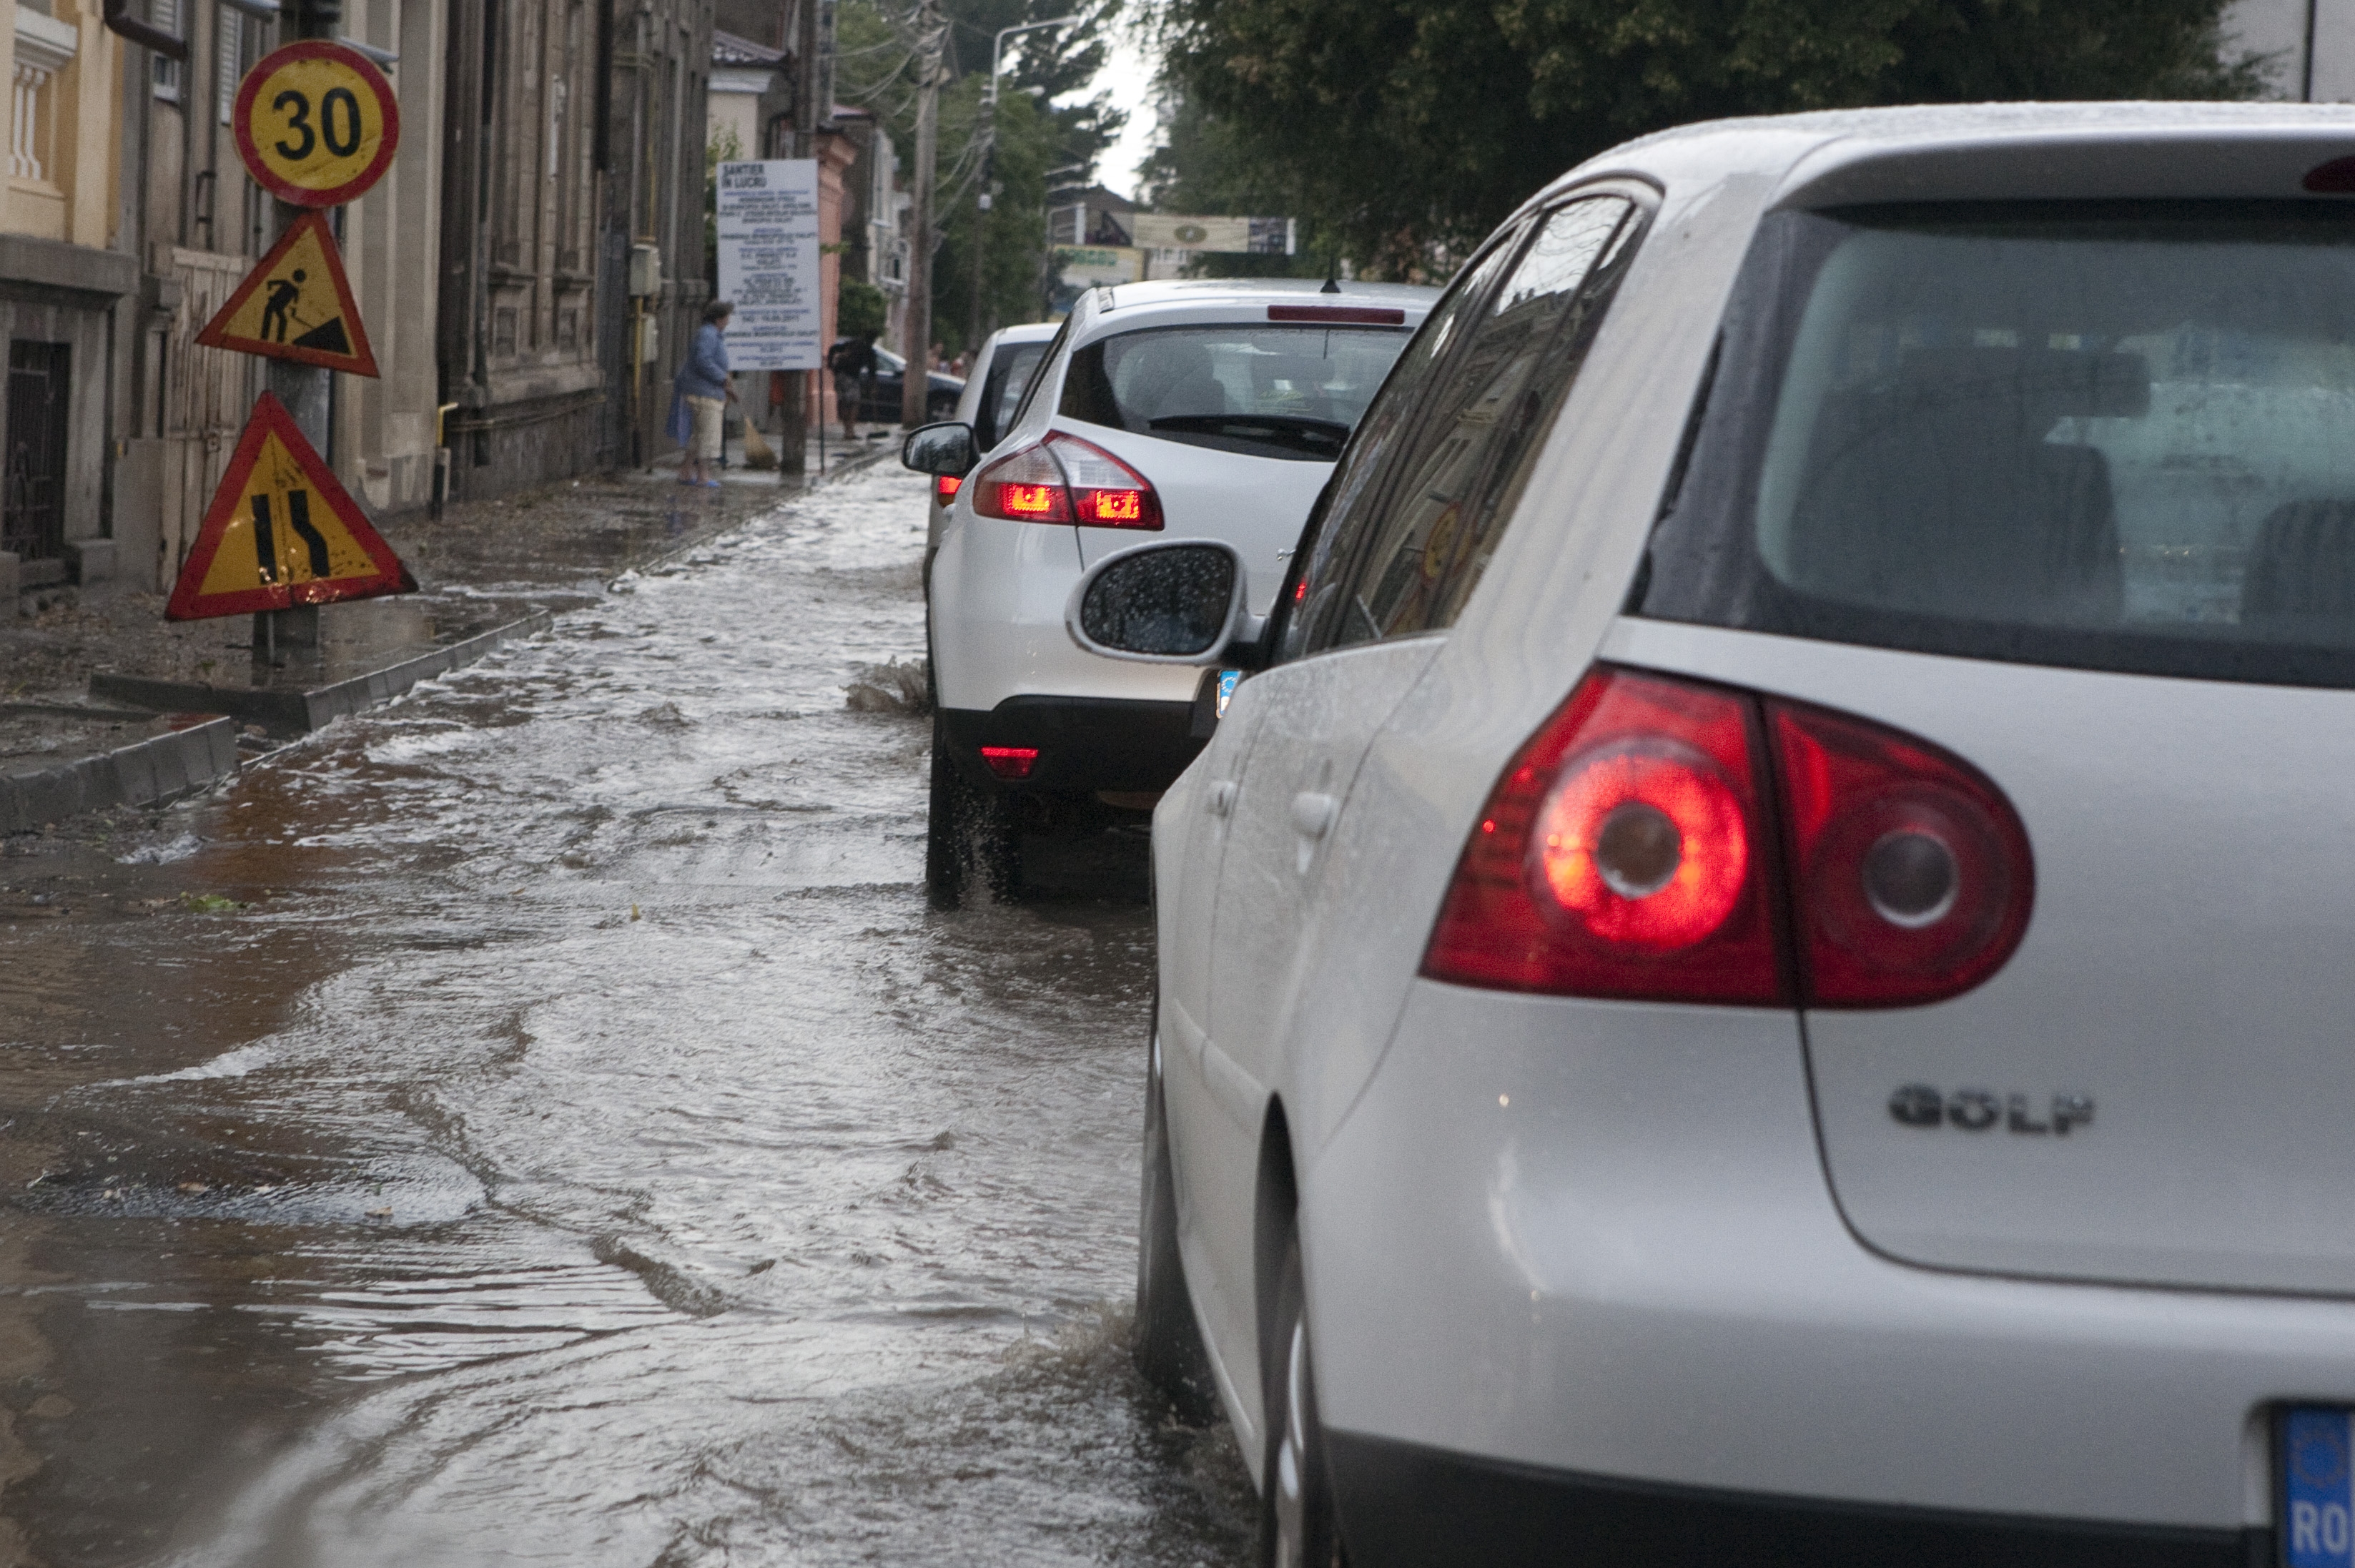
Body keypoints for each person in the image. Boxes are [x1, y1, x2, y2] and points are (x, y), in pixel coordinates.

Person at [670, 301, 734, 487]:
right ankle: (703, 476)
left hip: (704, 391)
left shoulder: (710, 334)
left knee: (697, 436)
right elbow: (703, 360)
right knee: (708, 437)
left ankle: (685, 472)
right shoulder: (709, 335)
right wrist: (722, 379)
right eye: (727, 318)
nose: (728, 322)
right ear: (719, 319)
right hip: (706, 394)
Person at [827, 332, 877, 441]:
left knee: (844, 402)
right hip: (851, 378)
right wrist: (872, 388)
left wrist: (830, 365)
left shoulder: (851, 344)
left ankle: (847, 430)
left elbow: (833, 348)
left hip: (839, 375)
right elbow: (872, 371)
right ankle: (850, 431)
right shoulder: (868, 350)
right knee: (854, 403)